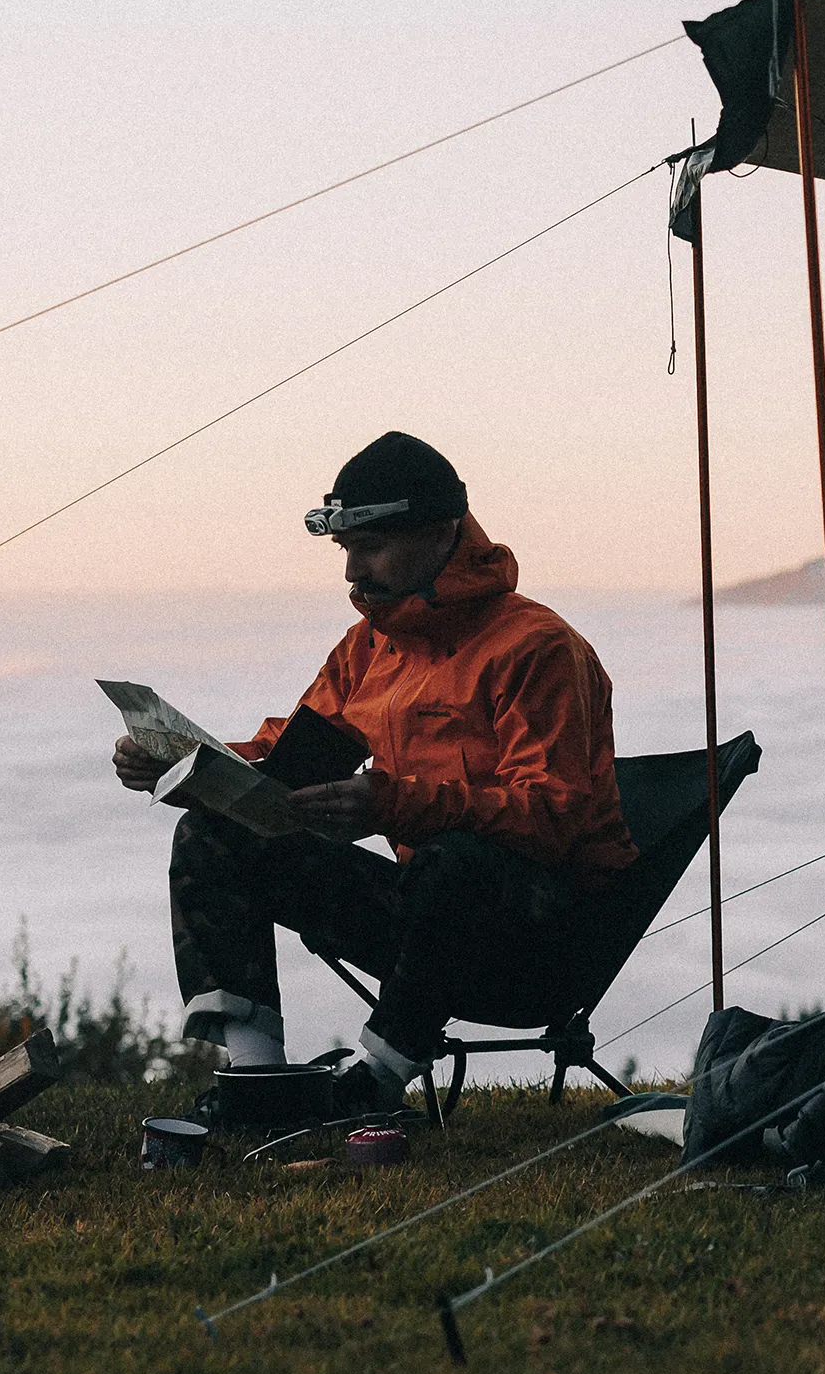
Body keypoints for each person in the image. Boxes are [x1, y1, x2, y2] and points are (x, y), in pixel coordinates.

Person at [119, 430, 632, 1117]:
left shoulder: (537, 648)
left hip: (542, 943)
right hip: (429, 928)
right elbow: (289, 757)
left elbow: (549, 818)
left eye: (371, 546)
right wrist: (186, 761)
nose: (352, 571)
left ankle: (374, 1085)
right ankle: (257, 1081)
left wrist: (390, 805)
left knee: (457, 860)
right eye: (345, 550)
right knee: (214, 836)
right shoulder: (372, 646)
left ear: (442, 532)